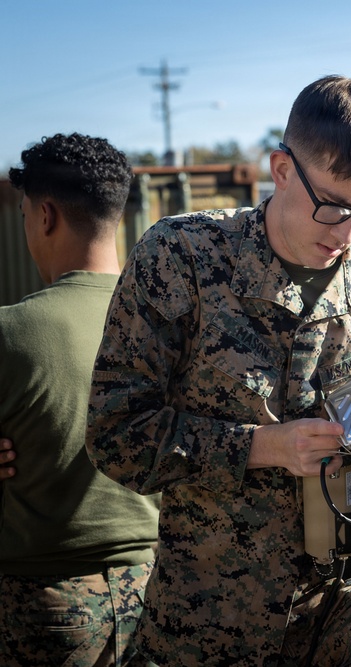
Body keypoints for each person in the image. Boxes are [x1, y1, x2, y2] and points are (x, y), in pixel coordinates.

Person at [85, 76, 351, 667]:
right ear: (281, 170)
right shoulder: (182, 260)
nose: (347, 233)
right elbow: (115, 436)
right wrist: (262, 447)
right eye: (331, 206)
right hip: (213, 612)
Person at [0, 133, 161, 666]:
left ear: (45, 215)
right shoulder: (171, 326)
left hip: (46, 609)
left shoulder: (11, 332)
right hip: (165, 597)